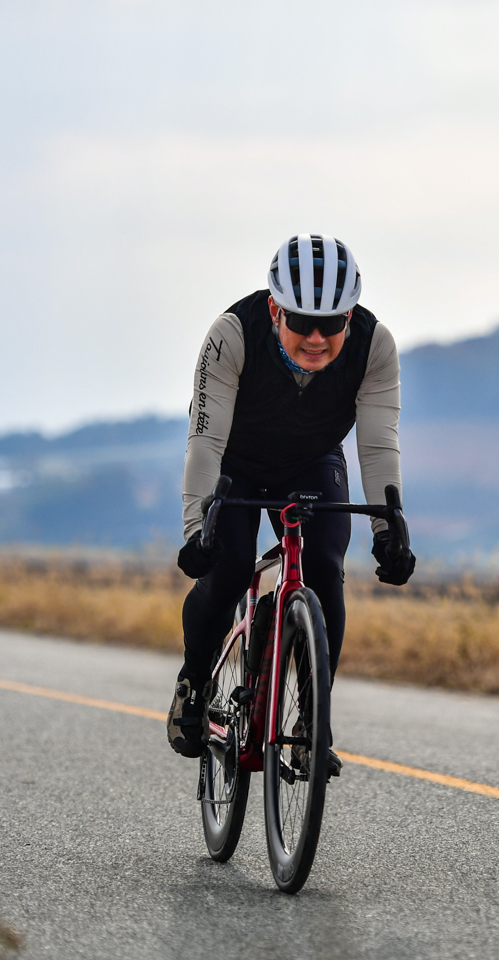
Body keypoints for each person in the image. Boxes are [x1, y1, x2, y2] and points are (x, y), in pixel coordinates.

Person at [167, 234, 416, 763]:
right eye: (303, 322)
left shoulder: (375, 346)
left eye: (333, 323)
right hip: (234, 461)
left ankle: (311, 721)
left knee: (324, 566)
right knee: (228, 567)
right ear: (275, 310)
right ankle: (195, 680)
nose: (318, 338)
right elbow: (205, 441)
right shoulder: (232, 334)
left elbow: (377, 445)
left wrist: (388, 529)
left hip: (310, 460)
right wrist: (196, 532)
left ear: (351, 317)